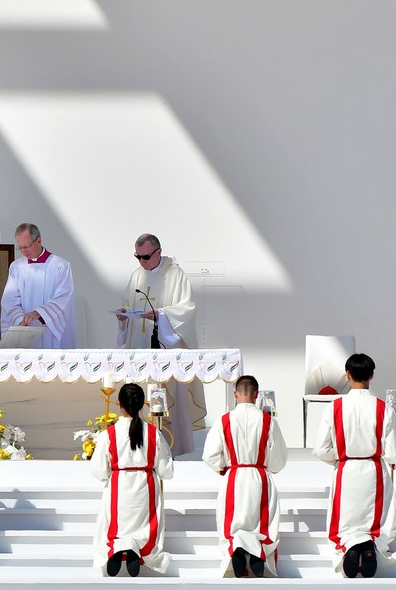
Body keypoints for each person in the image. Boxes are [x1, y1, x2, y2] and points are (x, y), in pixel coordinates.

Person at [313, 351, 396, 578]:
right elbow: (395, 449)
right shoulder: (382, 407)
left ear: (347, 375)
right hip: (373, 470)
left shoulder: (334, 407)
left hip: (346, 470)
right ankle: (370, 547)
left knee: (346, 520)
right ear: (372, 376)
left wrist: (338, 459)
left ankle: (350, 547)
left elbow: (321, 449)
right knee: (373, 520)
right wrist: (393, 463)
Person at [115, 234, 205, 455]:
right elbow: (128, 302)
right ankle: (139, 447)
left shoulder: (175, 275)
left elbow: (187, 309)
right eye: (138, 257)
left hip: (166, 349)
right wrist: (124, 315)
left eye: (145, 256)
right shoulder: (137, 276)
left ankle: (173, 448)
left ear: (158, 252)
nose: (142, 262)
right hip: (140, 346)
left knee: (168, 394)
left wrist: (161, 315)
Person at [202, 374, 288, 578]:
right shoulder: (268, 421)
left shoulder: (224, 420)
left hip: (234, 476)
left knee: (234, 522)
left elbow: (210, 455)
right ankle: (257, 554)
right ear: (257, 395)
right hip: (259, 475)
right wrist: (270, 467)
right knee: (260, 521)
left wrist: (224, 468)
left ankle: (238, 551)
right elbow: (279, 457)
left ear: (235, 394)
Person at [89, 382, 173, 577]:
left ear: (119, 403)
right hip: (146, 487)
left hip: (120, 485)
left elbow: (99, 471)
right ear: (142, 404)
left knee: (117, 525)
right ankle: (136, 550)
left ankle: (118, 548)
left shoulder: (108, 434)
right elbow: (166, 470)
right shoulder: (154, 433)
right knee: (144, 527)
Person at [0, 223, 76, 350]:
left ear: (38, 241)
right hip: (25, 333)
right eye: (20, 248)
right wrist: (20, 320)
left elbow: (63, 298)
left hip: (50, 330)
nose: (24, 251)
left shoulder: (60, 266)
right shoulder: (16, 267)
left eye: (26, 246)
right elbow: (10, 300)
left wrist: (39, 313)